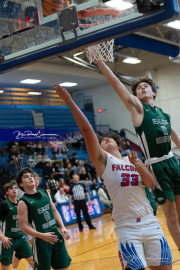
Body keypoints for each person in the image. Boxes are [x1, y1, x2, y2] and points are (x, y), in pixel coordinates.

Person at [54, 83, 172, 269]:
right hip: (127, 227)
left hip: (150, 221)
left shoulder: (132, 159)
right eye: (101, 141)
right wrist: (69, 101)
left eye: (108, 139)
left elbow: (150, 184)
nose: (104, 140)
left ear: (119, 145)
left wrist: (139, 165)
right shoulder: (104, 161)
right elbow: (87, 131)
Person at [95, 59, 180, 250]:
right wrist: (101, 63)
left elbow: (176, 139)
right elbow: (117, 85)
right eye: (138, 88)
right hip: (157, 165)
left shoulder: (163, 115)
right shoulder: (138, 109)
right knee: (172, 214)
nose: (142, 88)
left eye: (145, 86)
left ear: (153, 92)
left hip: (172, 162)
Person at [16, 167, 71, 270]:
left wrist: (63, 227)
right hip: (41, 241)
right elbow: (23, 227)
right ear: (21, 184)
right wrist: (41, 235)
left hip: (56, 235)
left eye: (31, 176)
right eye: (26, 177)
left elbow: (54, 211)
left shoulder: (45, 193)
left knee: (64, 268)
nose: (31, 178)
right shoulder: (23, 202)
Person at [0, 180, 34, 270]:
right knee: (5, 267)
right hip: (8, 240)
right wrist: (2, 236)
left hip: (21, 238)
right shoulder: (3, 205)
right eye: (11, 188)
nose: (14, 190)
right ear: (7, 192)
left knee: (33, 261)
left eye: (15, 188)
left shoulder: (21, 203)